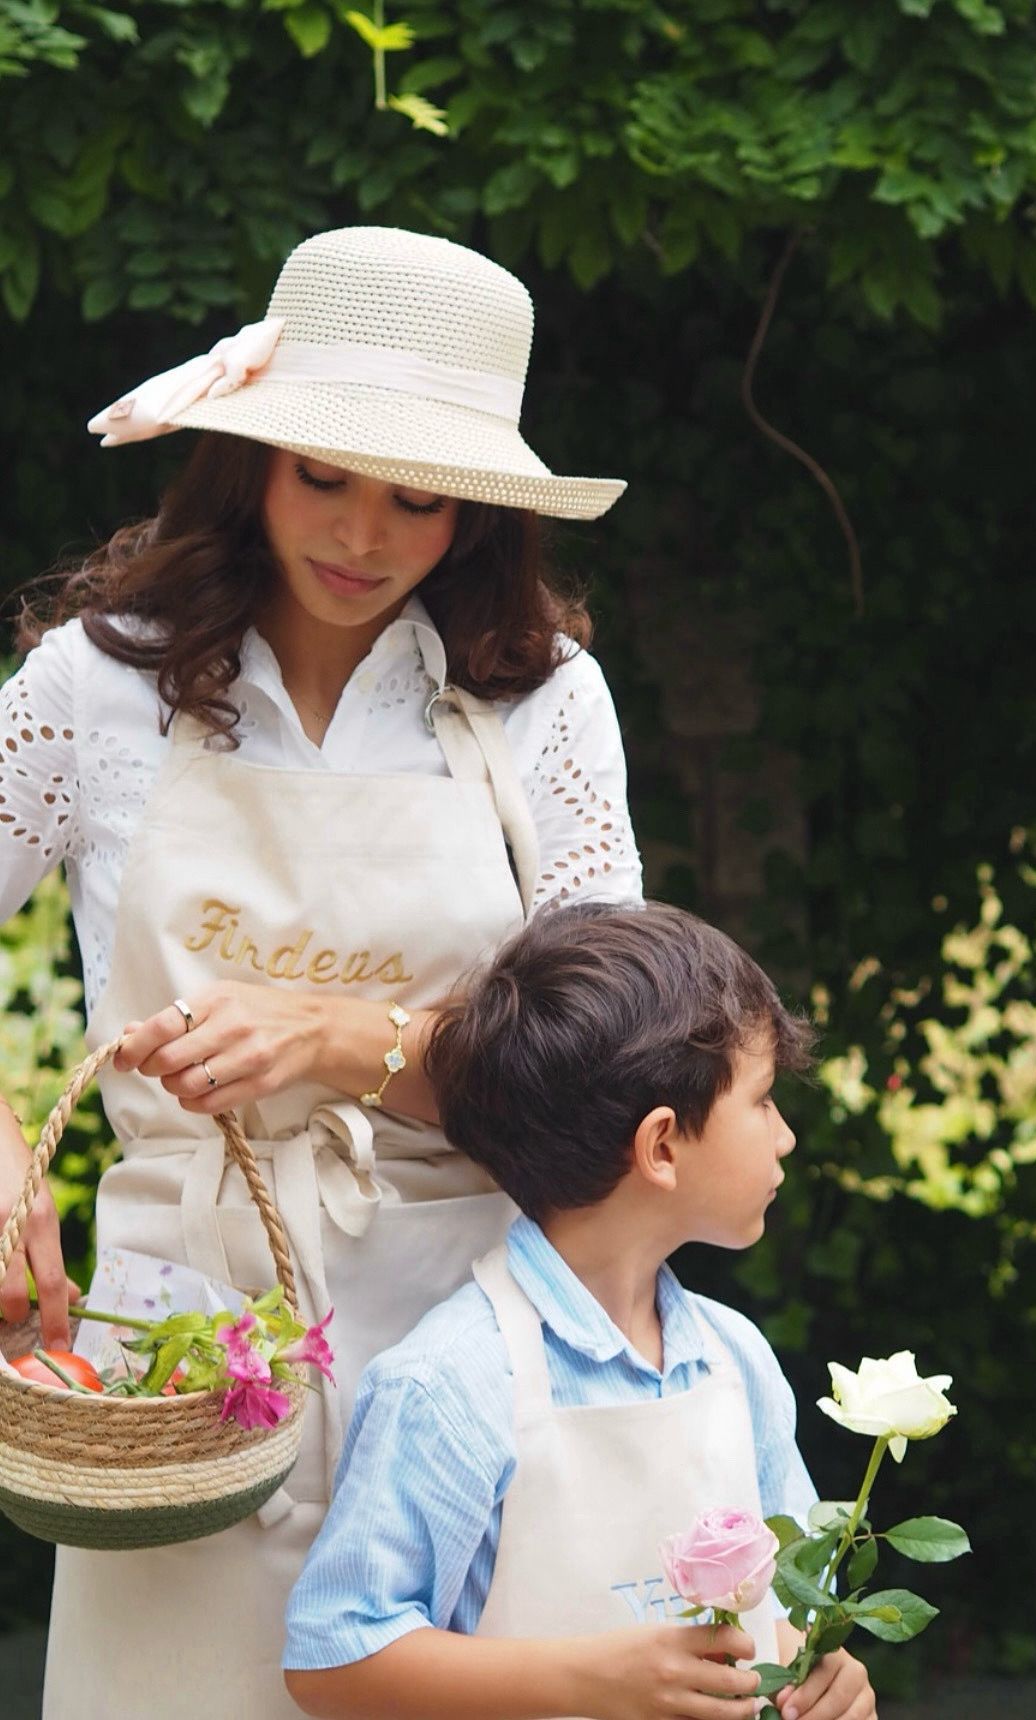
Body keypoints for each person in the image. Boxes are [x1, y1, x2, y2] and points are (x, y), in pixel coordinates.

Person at [0, 226, 642, 1718]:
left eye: (418, 497)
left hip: (473, 1329)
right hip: (177, 1346)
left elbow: (617, 1051)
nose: (364, 535)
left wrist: (356, 1040)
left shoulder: (541, 701)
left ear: (476, 509)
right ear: (251, 462)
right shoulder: (100, 684)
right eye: (323, 476)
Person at [283, 901, 879, 1720]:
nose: (785, 1137)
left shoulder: (734, 1358)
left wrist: (827, 1672)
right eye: (764, 1100)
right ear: (661, 1146)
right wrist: (591, 1681)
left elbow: (794, 1605)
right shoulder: (452, 1382)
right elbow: (332, 1660)